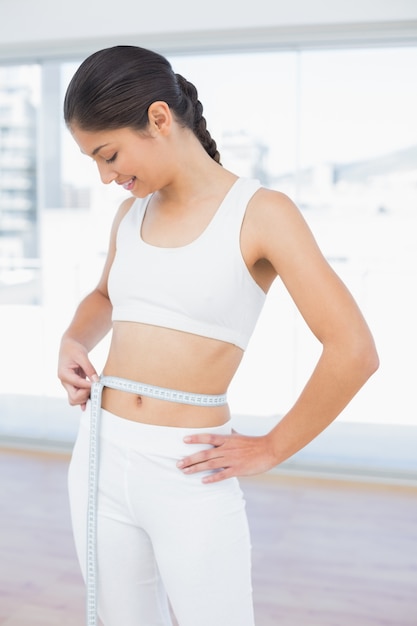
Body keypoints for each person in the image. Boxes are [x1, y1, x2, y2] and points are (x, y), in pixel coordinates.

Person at [58, 45, 379, 626]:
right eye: (94, 163)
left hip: (190, 470)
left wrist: (272, 447)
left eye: (108, 155)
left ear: (158, 119)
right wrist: (73, 341)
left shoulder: (261, 213)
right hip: (100, 454)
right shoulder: (132, 215)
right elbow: (104, 297)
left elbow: (354, 349)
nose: (106, 177)